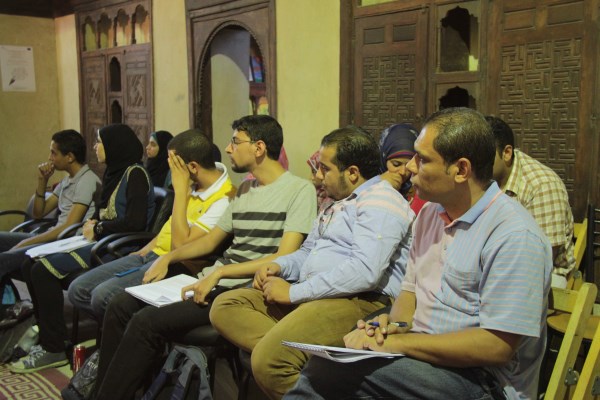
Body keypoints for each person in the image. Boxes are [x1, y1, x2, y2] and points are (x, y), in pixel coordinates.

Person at [285, 108, 552, 400]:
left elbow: (496, 347)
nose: (410, 167)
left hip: (483, 380)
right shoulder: (430, 214)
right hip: (423, 359)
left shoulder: (514, 234)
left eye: (422, 159)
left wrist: (400, 344)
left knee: (328, 373)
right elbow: (409, 296)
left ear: (461, 170)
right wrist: (391, 327)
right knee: (335, 359)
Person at [92, 115, 316, 400]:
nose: (228, 148)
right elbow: (210, 241)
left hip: (241, 289)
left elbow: (285, 256)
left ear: (259, 147)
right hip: (212, 279)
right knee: (120, 305)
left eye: (235, 141)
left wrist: (220, 273)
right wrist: (168, 257)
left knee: (145, 322)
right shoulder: (245, 189)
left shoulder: (299, 190)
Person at [210, 126, 414, 399]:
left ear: (352, 173)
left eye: (325, 169)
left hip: (359, 300)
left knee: (268, 363)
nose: (318, 176)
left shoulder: (381, 199)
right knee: (226, 306)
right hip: (316, 293)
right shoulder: (337, 202)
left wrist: (293, 292)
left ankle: (285, 355)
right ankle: (305, 357)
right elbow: (308, 251)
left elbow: (365, 272)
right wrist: (280, 266)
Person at [9, 123, 155, 373]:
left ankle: (54, 348)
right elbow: (105, 213)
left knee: (42, 271)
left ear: (115, 146)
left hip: (117, 248)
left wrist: (98, 228)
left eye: (100, 143)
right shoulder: (115, 172)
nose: (96, 147)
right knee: (28, 263)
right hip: (99, 240)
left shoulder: (136, 175)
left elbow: (135, 222)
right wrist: (95, 224)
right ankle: (46, 334)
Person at [67, 129, 235, 320]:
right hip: (151, 253)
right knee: (78, 289)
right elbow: (169, 227)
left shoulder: (224, 198)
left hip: (174, 262)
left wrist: (180, 193)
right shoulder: (194, 184)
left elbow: (179, 246)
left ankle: (126, 332)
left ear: (193, 167)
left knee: (102, 297)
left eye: (173, 163)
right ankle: (119, 328)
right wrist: (144, 250)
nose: (170, 168)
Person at [487, 116, 575, 289]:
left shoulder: (541, 185)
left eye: (484, 157)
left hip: (545, 273)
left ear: (507, 153)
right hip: (495, 261)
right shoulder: (482, 177)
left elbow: (543, 255)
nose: (476, 164)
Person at [0, 130, 100, 281]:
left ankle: (7, 295)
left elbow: (68, 227)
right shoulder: (67, 180)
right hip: (53, 235)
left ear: (70, 157)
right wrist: (42, 181)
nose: (49, 158)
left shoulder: (87, 181)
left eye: (54, 153)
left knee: (5, 259)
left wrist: (27, 242)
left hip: (64, 242)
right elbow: (39, 213)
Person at [379, 123, 427, 215]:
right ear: (384, 160)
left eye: (409, 164)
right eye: (396, 164)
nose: (403, 172)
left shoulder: (424, 191)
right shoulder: (370, 187)